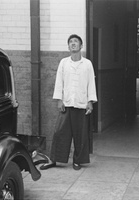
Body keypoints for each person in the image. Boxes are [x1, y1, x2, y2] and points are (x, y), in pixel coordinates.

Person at [40, 34, 97, 171]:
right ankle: (54, 159)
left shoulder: (87, 64)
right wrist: (59, 100)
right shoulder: (64, 63)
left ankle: (77, 161)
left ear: (81, 46)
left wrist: (90, 102)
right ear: (68, 46)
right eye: (70, 42)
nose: (73, 44)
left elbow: (91, 83)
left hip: (81, 104)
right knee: (59, 132)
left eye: (76, 42)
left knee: (80, 134)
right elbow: (59, 82)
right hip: (66, 103)